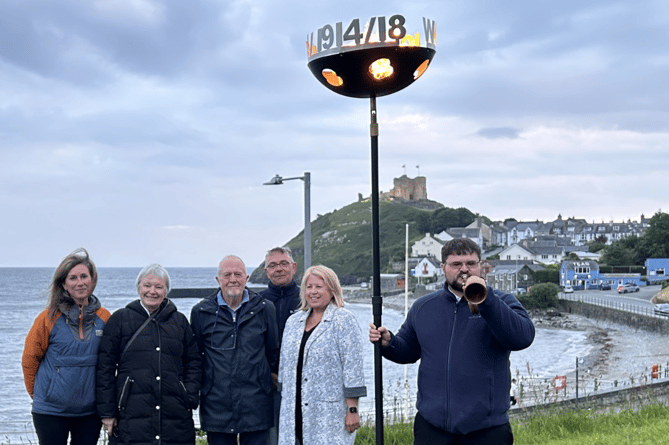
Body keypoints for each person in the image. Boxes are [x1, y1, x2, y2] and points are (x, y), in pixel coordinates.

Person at [369, 238, 535, 444]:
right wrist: (389, 343)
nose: (464, 270)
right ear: (443, 268)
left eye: (471, 263)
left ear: (480, 266)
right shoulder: (423, 306)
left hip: (488, 428)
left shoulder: (502, 301)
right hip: (433, 427)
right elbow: (409, 351)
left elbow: (522, 338)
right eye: (456, 264)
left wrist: (486, 299)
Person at [96, 264, 201, 445]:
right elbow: (105, 367)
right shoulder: (120, 320)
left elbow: (193, 362)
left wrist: (188, 395)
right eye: (147, 285)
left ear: (166, 290)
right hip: (131, 414)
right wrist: (107, 413)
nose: (152, 291)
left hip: (175, 414)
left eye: (159, 287)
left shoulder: (179, 322)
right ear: (138, 288)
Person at [22, 248, 111, 445]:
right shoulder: (47, 319)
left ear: (92, 280)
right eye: (73, 278)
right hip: (50, 412)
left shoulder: (105, 318)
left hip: (89, 412)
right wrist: (39, 395)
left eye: (84, 276)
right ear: (64, 284)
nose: (80, 282)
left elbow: (110, 362)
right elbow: (29, 359)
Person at [190, 255, 279, 445]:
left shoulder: (265, 308)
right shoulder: (201, 312)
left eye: (238, 274)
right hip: (216, 403)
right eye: (227, 275)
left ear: (246, 278)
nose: (233, 279)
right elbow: (195, 357)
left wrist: (263, 378)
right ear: (218, 280)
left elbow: (273, 353)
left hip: (257, 402)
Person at [278, 265, 366, 445]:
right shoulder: (293, 321)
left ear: (332, 289)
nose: (313, 292)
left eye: (319, 287)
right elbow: (284, 364)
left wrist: (352, 409)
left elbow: (353, 367)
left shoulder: (343, 320)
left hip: (329, 413)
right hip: (292, 409)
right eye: (309, 287)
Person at [258, 247, 302, 445]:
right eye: (273, 265)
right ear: (266, 271)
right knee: (272, 438)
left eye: (284, 263)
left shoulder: (308, 299)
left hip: (304, 384)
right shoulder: (255, 302)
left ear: (293, 267)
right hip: (268, 384)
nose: (279, 269)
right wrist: (268, 373)